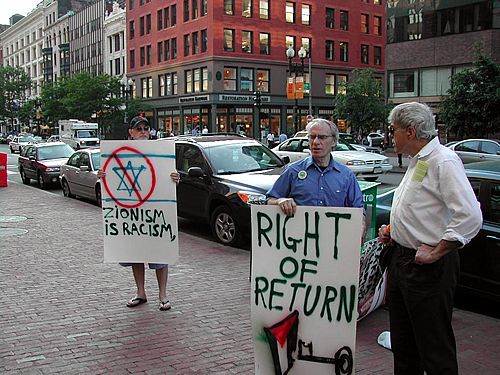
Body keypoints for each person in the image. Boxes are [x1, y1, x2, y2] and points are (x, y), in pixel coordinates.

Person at [378, 102, 482, 375]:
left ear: (411, 131)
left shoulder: (443, 161)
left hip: (427, 268)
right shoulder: (419, 161)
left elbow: (470, 216)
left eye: (394, 130)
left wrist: (436, 252)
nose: (391, 136)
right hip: (402, 261)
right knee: (404, 345)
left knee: (433, 347)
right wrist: (395, 231)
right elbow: (423, 209)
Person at [99, 116, 180, 311]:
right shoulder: (120, 155)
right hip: (132, 211)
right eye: (139, 128)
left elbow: (168, 178)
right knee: (136, 252)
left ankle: (163, 295)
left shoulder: (160, 153)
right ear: (131, 133)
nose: (143, 131)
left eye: (146, 128)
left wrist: (175, 178)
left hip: (155, 212)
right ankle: (140, 292)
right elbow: (110, 177)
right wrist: (102, 176)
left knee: (160, 255)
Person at [267, 119, 364, 240]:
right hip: (299, 245)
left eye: (322, 137)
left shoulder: (346, 176)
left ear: (334, 141)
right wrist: (279, 201)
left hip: (334, 244)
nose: (316, 142)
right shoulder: (293, 171)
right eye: (312, 137)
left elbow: (359, 211)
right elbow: (269, 200)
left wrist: (360, 230)